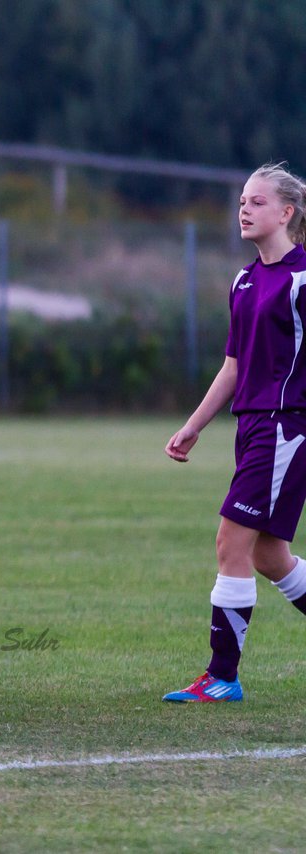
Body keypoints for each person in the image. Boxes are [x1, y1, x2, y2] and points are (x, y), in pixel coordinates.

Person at [163, 163, 306, 703]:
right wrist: (193, 426)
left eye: (258, 202)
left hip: (285, 427)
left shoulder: (302, 279)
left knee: (231, 541)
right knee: (270, 556)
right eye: (242, 201)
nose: (244, 209)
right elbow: (233, 366)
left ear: (287, 213)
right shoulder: (244, 280)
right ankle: (222, 676)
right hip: (252, 427)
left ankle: (222, 676)